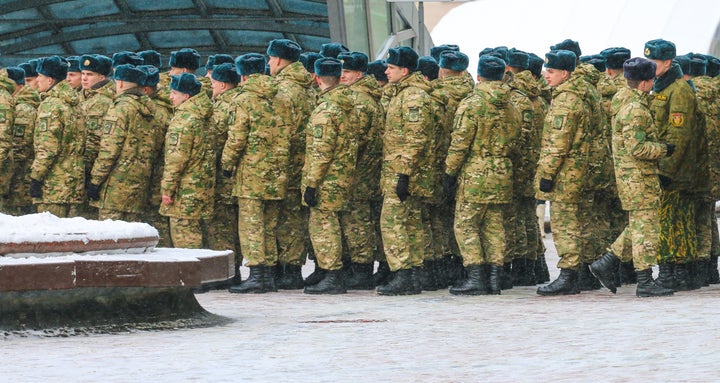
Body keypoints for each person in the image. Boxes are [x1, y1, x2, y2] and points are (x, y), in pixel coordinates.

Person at [589, 57, 675, 297]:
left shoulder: (625, 101)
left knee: (639, 226)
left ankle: (606, 262)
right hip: (638, 177)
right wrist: (664, 149)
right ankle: (644, 280)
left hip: (633, 177)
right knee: (645, 230)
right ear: (645, 83)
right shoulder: (635, 109)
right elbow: (636, 148)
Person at [444, 55, 520, 295]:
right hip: (502, 172)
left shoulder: (472, 104)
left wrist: (449, 171)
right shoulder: (512, 106)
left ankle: (476, 276)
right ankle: (495, 277)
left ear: (478, 76)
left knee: (466, 225)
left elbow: (460, 143)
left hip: (476, 173)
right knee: (494, 225)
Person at [222, 53, 289, 293]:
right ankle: (268, 274)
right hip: (277, 171)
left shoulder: (244, 99)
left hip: (250, 173)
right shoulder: (282, 96)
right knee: (269, 225)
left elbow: (236, 137)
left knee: (251, 225)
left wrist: (226, 164)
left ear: (243, 75)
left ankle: (257, 275)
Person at [377, 46, 434, 296]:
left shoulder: (412, 97)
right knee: (409, 223)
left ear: (405, 70)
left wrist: (403, 174)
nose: (386, 71)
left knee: (393, 223)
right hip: (403, 170)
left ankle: (403, 272)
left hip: (404, 172)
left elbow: (416, 138)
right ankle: (411, 274)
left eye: (391, 67)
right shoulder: (402, 93)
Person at [644, 39, 700, 291]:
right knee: (677, 222)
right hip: (669, 167)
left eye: (653, 61)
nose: (649, 66)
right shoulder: (661, 87)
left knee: (669, 223)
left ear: (667, 62)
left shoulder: (679, 90)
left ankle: (669, 274)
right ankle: (681, 273)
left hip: (674, 170)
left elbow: (679, 135)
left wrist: (666, 170)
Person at [535, 50, 592, 296]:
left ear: (565, 73)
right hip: (574, 169)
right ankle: (576, 273)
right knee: (574, 222)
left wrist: (547, 174)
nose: (547, 76)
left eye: (552, 72)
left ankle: (569, 274)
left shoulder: (566, 101)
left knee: (564, 223)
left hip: (565, 173)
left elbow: (557, 143)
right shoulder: (579, 93)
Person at [302, 57, 359, 294]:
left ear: (317, 79)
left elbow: (321, 151)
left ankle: (332, 274)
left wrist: (312, 183)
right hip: (343, 175)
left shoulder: (326, 110)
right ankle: (330, 272)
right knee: (333, 224)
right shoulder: (349, 105)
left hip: (326, 178)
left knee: (324, 226)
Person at [266, 38, 317, 288]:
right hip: (303, 161)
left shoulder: (283, 89)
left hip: (285, 164)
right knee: (295, 218)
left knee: (284, 219)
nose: (268, 63)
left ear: (277, 60)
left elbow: (280, 131)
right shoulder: (306, 86)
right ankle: (292, 269)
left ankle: (288, 271)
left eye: (270, 59)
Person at [335, 51, 384, 290]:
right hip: (363, 168)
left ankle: (362, 269)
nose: (342, 76)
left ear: (359, 74)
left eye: (347, 72)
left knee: (358, 221)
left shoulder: (359, 100)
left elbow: (355, 139)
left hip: (360, 170)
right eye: (341, 72)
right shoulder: (361, 96)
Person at [86, 64, 156, 221]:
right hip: (138, 186)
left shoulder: (120, 108)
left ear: (121, 83)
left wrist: (95, 180)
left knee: (109, 238)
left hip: (114, 188)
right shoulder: (148, 110)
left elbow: (109, 150)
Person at [160, 73, 215, 248]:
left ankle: (189, 275)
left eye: (174, 93)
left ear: (186, 96)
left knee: (185, 238)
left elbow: (176, 160)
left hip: (184, 191)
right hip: (203, 187)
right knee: (200, 235)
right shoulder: (205, 115)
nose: (170, 97)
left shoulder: (183, 121)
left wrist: (167, 190)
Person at [29, 56, 84, 218]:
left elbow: (47, 148)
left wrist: (36, 178)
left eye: (40, 76)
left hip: (53, 186)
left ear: (50, 80)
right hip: (74, 183)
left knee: (50, 235)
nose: (37, 80)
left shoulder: (51, 105)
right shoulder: (75, 103)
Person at [208, 63, 243, 283]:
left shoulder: (222, 107)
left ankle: (227, 273)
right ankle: (234, 269)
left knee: (222, 226)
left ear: (222, 85)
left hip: (225, 176)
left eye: (212, 83)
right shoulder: (240, 102)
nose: (210, 87)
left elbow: (219, 140)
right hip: (238, 177)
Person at [138, 64, 173, 247]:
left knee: (156, 222)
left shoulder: (155, 112)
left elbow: (152, 148)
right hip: (160, 175)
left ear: (145, 89)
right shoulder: (163, 108)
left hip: (154, 176)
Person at [78, 54, 115, 219]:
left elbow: (93, 140)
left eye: (90, 74)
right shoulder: (84, 96)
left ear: (101, 77)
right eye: (83, 73)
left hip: (92, 169)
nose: (84, 78)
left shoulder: (101, 101)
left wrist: (86, 171)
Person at [4, 66, 39, 215]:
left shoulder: (22, 109)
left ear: (17, 86)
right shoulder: (15, 105)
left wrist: (5, 173)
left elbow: (20, 148)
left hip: (19, 182)